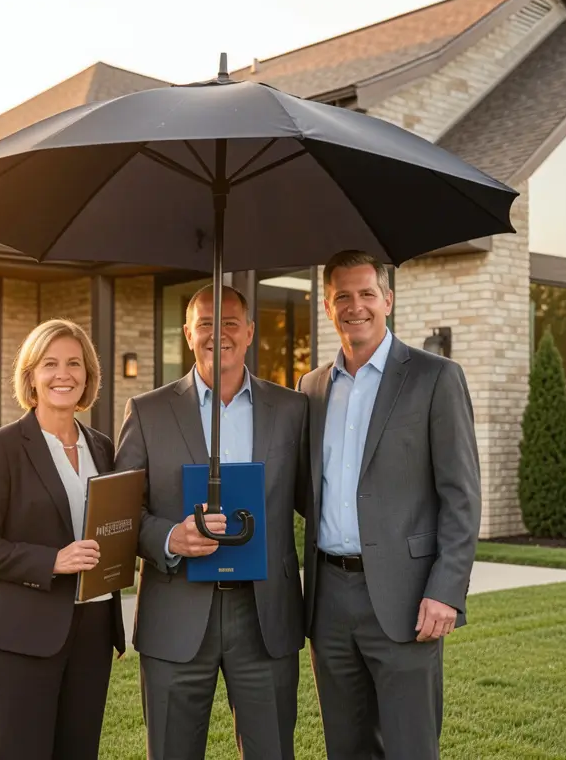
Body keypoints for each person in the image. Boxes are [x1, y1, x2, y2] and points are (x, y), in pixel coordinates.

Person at [297, 250, 481, 759]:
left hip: (408, 597)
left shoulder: (435, 377)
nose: (355, 306)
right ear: (328, 307)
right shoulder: (311, 388)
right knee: (345, 747)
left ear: (388, 300)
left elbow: (462, 496)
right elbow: (303, 489)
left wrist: (446, 591)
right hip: (329, 600)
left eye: (366, 294)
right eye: (342, 297)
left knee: (409, 747)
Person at [115, 284, 310, 760]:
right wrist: (169, 537)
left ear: (250, 332)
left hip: (264, 615)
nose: (217, 334)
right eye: (205, 323)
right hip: (176, 611)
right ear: (187, 333)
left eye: (229, 323)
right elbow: (120, 514)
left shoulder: (292, 409)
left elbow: (317, 497)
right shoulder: (147, 411)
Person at [0, 318, 126, 760]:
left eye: (74, 363)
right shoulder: (2, 446)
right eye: (50, 364)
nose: (62, 374)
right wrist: (52, 560)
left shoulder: (102, 447)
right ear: (31, 376)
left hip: (92, 629)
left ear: (88, 375)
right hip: (22, 632)